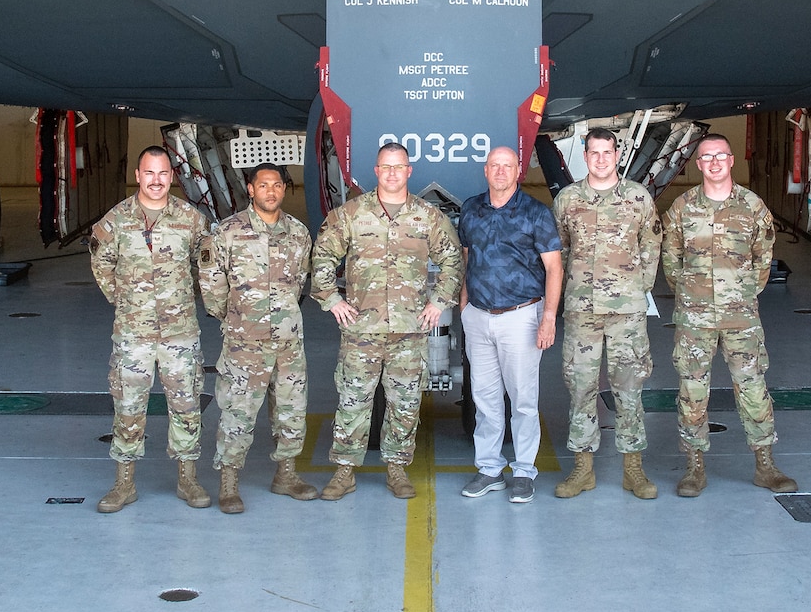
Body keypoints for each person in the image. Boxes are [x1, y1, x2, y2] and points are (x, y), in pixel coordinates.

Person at [308, 142, 464, 501]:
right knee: (353, 400)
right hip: (361, 330)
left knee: (405, 403)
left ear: (409, 172)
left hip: (410, 331)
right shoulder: (350, 214)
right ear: (376, 172)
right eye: (386, 167)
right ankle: (344, 471)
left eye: (399, 167)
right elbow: (322, 256)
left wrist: (439, 301)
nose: (393, 173)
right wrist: (332, 300)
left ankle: (397, 469)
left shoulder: (428, 217)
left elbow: (453, 261)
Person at [659, 133, 797, 498]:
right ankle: (694, 467)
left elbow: (763, 258)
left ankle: (765, 464)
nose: (715, 162)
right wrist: (692, 294)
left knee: (753, 387)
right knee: (692, 391)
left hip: (741, 317)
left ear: (732, 160)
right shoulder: (682, 208)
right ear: (699, 165)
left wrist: (742, 294)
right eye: (707, 157)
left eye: (721, 155)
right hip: (694, 317)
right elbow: (670, 261)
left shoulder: (752, 206)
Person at [89, 145, 212, 514]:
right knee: (128, 406)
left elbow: (202, 269)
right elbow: (102, 266)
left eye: (163, 174)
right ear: (138, 176)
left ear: (171, 177)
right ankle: (124, 484)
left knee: (187, 406)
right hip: (133, 334)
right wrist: (128, 303)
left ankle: (187, 479)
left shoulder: (191, 220)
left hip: (180, 333)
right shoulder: (116, 220)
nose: (156, 181)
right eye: (149, 173)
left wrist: (179, 299)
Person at [199, 162, 319, 513]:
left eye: (277, 185)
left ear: (284, 189)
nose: (271, 191)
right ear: (250, 189)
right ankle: (229, 483)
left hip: (287, 341)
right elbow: (212, 287)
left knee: (291, 410)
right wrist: (238, 319)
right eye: (263, 185)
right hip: (244, 342)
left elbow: (299, 283)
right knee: (238, 412)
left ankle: (286, 475)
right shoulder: (227, 232)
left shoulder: (298, 233)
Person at [551, 127, 662, 500]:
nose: (601, 159)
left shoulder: (637, 197)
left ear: (617, 155)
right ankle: (583, 468)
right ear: (585, 156)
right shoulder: (568, 199)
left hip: (627, 312)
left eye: (607, 152)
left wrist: (639, 286)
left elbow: (651, 243)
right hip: (582, 310)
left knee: (629, 389)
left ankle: (633, 468)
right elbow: (560, 250)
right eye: (594, 152)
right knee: (580, 388)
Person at [456, 143, 562, 504]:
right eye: (494, 165)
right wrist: (464, 303)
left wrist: (547, 318)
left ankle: (523, 471)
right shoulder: (471, 209)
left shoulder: (535, 213)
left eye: (507, 166)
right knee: (484, 399)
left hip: (521, 317)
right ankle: (488, 468)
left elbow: (554, 268)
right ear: (485, 171)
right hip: (479, 317)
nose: (500, 171)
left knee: (522, 400)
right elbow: (467, 256)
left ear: (519, 171)